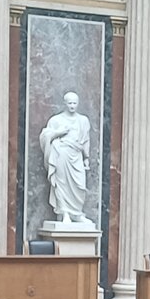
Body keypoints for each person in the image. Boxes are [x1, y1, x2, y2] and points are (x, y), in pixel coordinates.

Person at [38, 91, 93, 227]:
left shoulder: (83, 120)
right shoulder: (56, 120)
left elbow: (86, 140)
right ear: (64, 103)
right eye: (70, 103)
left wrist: (86, 158)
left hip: (76, 155)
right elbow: (45, 136)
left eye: (74, 103)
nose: (72, 106)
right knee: (61, 184)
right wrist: (58, 133)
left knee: (80, 184)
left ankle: (77, 213)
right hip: (61, 153)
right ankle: (65, 213)